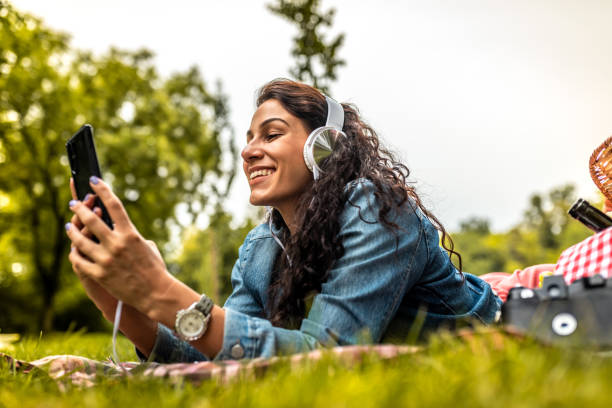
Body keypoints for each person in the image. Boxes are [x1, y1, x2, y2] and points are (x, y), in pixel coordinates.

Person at [66, 79, 501, 363]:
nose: (248, 151)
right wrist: (119, 302)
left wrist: (160, 288)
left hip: (493, 330)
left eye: (271, 135)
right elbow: (218, 355)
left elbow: (324, 357)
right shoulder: (261, 246)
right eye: (249, 139)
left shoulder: (378, 212)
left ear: (324, 146)